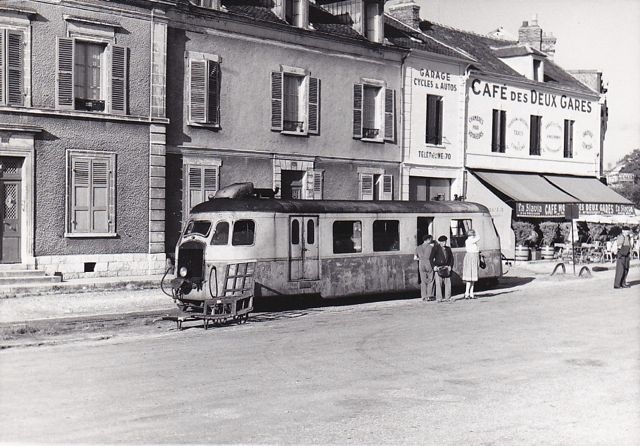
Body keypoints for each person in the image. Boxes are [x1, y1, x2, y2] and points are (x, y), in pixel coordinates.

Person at [430, 235, 454, 302]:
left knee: (448, 283)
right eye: (443, 242)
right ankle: (439, 298)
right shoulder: (435, 248)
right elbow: (430, 258)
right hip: (438, 268)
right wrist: (434, 267)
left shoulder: (448, 249)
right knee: (438, 284)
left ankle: (448, 298)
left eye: (445, 241)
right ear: (440, 242)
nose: (444, 243)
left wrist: (450, 266)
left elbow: (451, 259)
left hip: (446, 268)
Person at [415, 234, 435, 301]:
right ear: (428, 239)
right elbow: (433, 258)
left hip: (421, 264)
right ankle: (430, 296)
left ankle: (424, 296)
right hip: (429, 264)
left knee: (423, 281)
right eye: (431, 239)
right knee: (431, 280)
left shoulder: (418, 247)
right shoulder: (431, 247)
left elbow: (415, 258)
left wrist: (421, 258)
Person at [462, 229, 480, 299]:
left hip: (474, 257)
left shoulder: (470, 240)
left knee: (472, 278)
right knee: (470, 278)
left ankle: (471, 293)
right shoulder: (469, 240)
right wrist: (477, 231)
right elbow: (478, 237)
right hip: (471, 257)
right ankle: (467, 293)